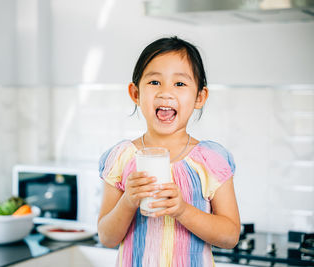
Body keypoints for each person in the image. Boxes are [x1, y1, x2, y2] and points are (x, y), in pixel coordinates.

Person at [97, 36, 240, 267]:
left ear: (199, 97)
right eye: (154, 82)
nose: (166, 93)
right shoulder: (121, 158)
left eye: (180, 84)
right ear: (135, 93)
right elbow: (106, 237)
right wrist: (128, 201)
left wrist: (182, 210)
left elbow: (230, 236)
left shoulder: (210, 161)